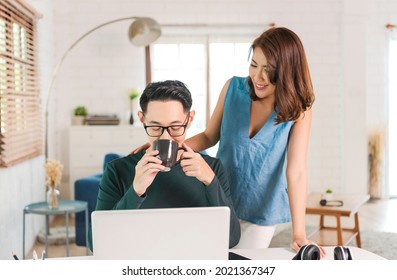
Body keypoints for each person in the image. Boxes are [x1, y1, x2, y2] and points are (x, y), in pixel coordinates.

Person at [185, 27, 325, 256]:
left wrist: (299, 233)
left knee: (242, 266)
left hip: (261, 209)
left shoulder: (299, 109)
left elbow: (297, 171)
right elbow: (208, 136)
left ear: (287, 71)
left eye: (268, 70)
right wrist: (169, 146)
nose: (257, 77)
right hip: (219, 198)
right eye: (254, 65)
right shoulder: (232, 89)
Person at [88, 80, 241, 251]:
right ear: (142, 119)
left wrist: (210, 182)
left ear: (189, 120)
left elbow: (231, 238)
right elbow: (96, 243)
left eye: (175, 127)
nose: (165, 138)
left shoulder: (210, 169)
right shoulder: (117, 170)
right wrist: (136, 190)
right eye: (155, 127)